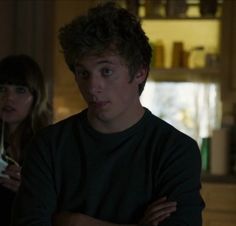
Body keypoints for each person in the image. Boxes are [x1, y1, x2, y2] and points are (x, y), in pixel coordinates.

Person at [12, 2, 204, 226]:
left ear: (140, 72)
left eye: (106, 71)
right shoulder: (48, 146)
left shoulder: (175, 150)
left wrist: (75, 221)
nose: (93, 87)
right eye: (83, 73)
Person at [0, 54, 52, 226]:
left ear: (35, 96)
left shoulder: (48, 145)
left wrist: (30, 190)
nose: (8, 98)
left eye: (20, 90)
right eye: (2, 89)